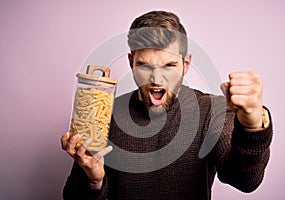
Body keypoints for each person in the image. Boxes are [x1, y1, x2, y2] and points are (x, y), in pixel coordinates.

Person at [61, 10, 273, 200]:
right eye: (144, 65)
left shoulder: (211, 110)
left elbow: (245, 180)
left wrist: (251, 127)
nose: (157, 79)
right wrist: (93, 181)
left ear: (185, 65)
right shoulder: (106, 114)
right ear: (131, 63)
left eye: (169, 65)